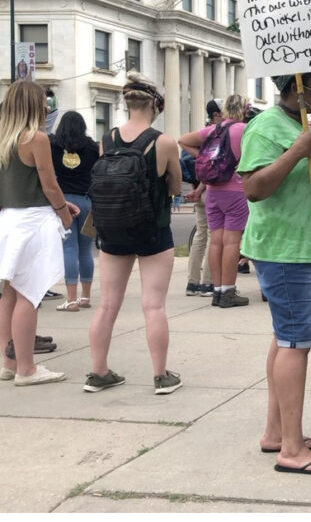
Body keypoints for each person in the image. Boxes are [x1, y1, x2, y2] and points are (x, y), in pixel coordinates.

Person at [239, 71, 311, 475]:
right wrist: (297, 151)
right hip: (287, 251)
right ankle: (291, 450)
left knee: (285, 338)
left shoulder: (300, 125)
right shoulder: (267, 127)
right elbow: (253, 187)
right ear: (298, 86)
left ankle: (276, 433)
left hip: (305, 249)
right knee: (294, 343)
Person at [84, 72, 183, 394]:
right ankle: (161, 376)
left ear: (127, 103)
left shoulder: (107, 139)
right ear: (155, 104)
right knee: (153, 306)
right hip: (152, 231)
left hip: (112, 229)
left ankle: (98, 373)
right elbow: (175, 186)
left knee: (107, 305)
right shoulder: (163, 142)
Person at [0, 79, 75, 385]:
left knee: (8, 294)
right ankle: (27, 368)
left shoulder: (4, 137)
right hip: (34, 221)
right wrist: (62, 211)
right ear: (34, 104)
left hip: (8, 219)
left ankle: (8, 362)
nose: (47, 105)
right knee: (29, 295)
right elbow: (49, 184)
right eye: (44, 100)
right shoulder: (36, 138)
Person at [178, 94, 250, 308]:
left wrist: (204, 157)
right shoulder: (244, 130)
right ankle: (229, 290)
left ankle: (217, 290)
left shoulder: (213, 129)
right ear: (244, 110)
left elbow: (183, 140)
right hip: (235, 189)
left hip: (212, 191)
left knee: (215, 239)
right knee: (232, 242)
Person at [50, 110, 99, 312]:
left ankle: (71, 299)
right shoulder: (92, 147)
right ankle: (85, 296)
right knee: (86, 250)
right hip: (87, 200)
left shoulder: (53, 145)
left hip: (64, 202)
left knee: (68, 248)